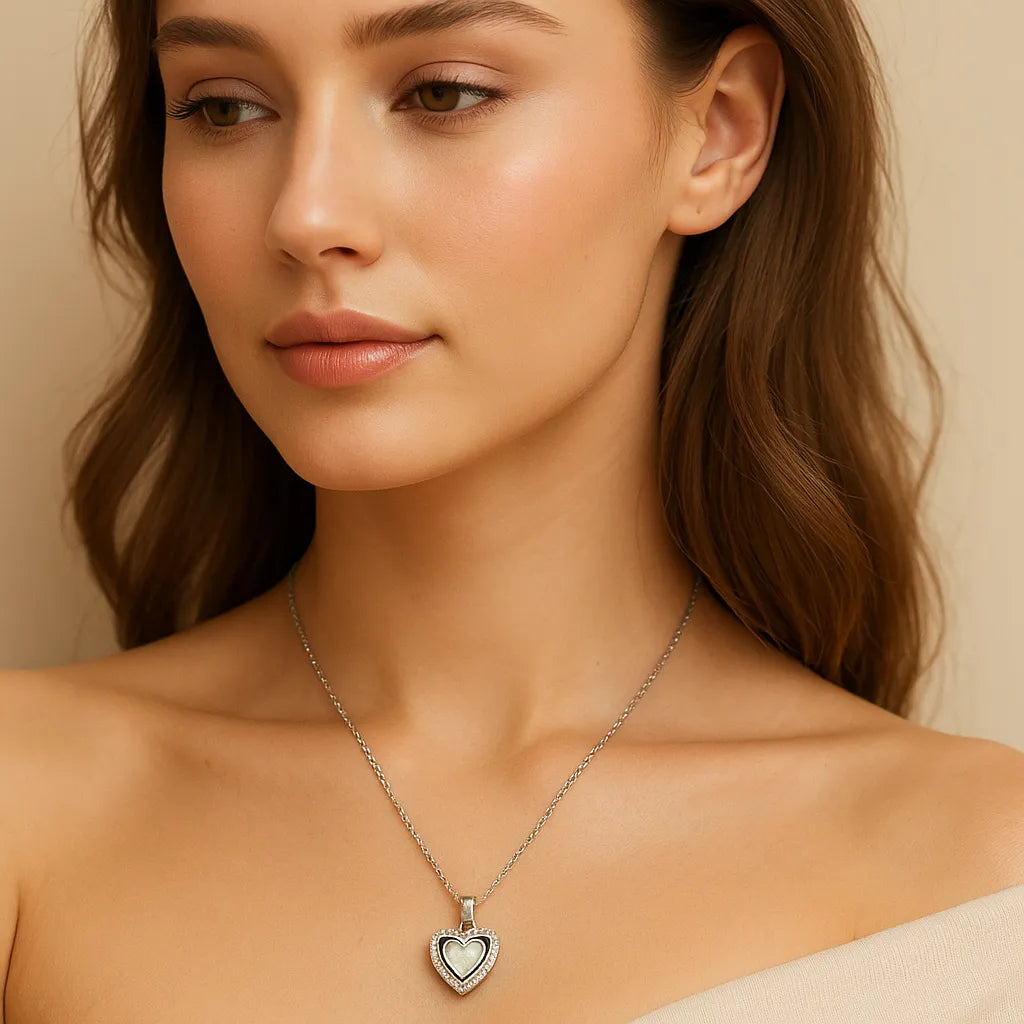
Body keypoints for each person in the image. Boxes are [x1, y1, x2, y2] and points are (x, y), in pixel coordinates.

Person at [2, 0, 1022, 1020]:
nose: (306, 215)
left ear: (718, 133)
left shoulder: (982, 870)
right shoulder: (29, 803)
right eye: (223, 107)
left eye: (443, 94)